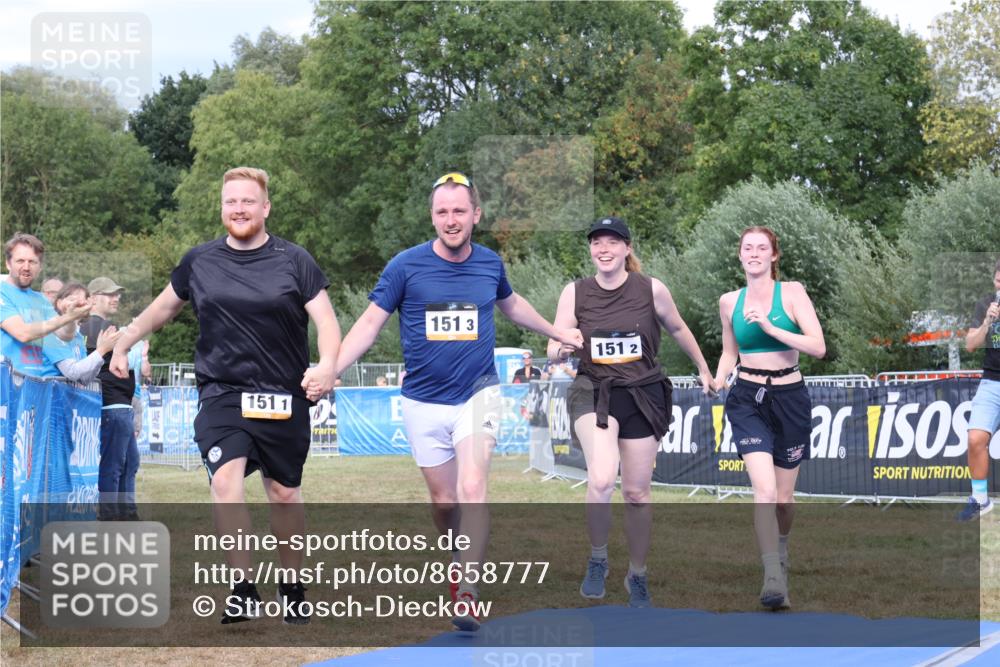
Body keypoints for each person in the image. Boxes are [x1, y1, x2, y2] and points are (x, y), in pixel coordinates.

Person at [335, 171, 583, 631]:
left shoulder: (489, 263)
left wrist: (557, 332)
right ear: (432, 217)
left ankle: (467, 591)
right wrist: (331, 368)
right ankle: (458, 556)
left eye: (459, 211)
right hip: (423, 402)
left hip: (478, 393)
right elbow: (369, 325)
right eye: (442, 212)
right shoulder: (405, 266)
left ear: (476, 215)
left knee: (472, 488)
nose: (451, 220)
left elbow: (512, 305)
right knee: (445, 502)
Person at [110, 166, 341, 625]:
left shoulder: (295, 260)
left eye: (248, 201)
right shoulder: (199, 261)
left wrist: (328, 365)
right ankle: (243, 588)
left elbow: (327, 322)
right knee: (224, 482)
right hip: (223, 391)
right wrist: (124, 341)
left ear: (265, 207)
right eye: (230, 201)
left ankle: (292, 587)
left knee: (284, 493)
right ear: (222, 208)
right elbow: (161, 309)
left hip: (283, 394)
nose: (239, 209)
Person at [549, 216, 714, 608]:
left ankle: (637, 574)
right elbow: (554, 346)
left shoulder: (651, 289)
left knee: (637, 492)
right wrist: (562, 347)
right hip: (594, 391)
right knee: (602, 477)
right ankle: (598, 559)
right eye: (596, 243)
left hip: (642, 394)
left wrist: (704, 367)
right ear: (591, 250)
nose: (603, 249)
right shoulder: (575, 293)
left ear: (627, 248)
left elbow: (678, 329)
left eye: (612, 242)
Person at [712, 226, 825, 610]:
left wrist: (771, 327)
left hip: (790, 397)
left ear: (774, 255)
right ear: (740, 255)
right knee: (764, 491)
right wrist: (718, 379)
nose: (755, 253)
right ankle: (773, 576)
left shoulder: (791, 293)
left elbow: (818, 346)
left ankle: (781, 547)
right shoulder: (729, 301)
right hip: (747, 398)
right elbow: (730, 352)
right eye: (748, 248)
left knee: (784, 500)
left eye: (762, 248)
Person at [80, 276, 139, 522]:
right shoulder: (94, 326)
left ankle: (125, 513)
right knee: (114, 465)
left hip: (120, 404)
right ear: (93, 298)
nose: (116, 298)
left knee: (128, 463)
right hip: (111, 404)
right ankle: (110, 515)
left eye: (117, 294)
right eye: (109, 294)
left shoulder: (101, 326)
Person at [1, 233, 91, 375]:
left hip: (35, 383)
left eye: (32, 262)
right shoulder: (2, 292)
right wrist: (66, 318)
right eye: (20, 261)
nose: (26, 267)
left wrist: (71, 317)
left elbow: (64, 335)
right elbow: (22, 333)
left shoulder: (41, 299)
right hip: (6, 383)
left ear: (40, 267)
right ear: (8, 263)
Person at [958, 258, 1000, 520]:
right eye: (998, 281)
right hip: (991, 383)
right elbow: (970, 345)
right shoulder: (986, 304)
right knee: (975, 439)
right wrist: (987, 322)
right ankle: (980, 500)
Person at [42, 282, 120, 383]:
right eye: (72, 299)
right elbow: (72, 372)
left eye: (82, 302)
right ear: (59, 303)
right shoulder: (50, 333)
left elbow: (85, 379)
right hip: (49, 393)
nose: (76, 304)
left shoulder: (78, 336)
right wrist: (101, 350)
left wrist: (100, 351)